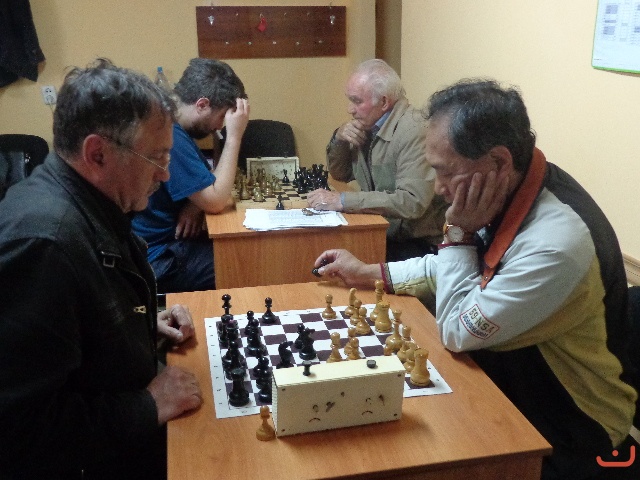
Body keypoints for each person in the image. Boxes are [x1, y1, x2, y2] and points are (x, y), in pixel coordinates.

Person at [313, 79, 639, 479]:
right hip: (507, 386)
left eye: (445, 172)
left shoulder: (555, 244)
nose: (437, 188)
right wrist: (370, 272)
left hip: (571, 432)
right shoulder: (514, 187)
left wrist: (457, 233)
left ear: (498, 162)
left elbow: (456, 331)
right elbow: (465, 267)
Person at [0, 59, 202, 480]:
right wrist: (147, 405)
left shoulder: (88, 203)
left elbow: (76, 332)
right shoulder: (44, 245)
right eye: (157, 156)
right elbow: (20, 433)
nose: (166, 174)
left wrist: (136, 327)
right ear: (97, 154)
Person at [306, 59, 447, 262]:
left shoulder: (414, 130)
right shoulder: (369, 125)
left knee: (334, 263)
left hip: (418, 246)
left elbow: (412, 202)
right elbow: (341, 174)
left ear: (383, 102)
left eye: (357, 101)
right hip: (386, 233)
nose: (350, 109)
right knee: (323, 251)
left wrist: (343, 201)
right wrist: (339, 139)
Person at [132, 58, 250, 293]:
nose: (220, 126)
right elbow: (216, 200)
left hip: (164, 245)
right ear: (202, 104)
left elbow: (208, 182)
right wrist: (235, 137)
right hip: (157, 258)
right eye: (222, 117)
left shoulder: (172, 125)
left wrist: (195, 204)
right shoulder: (171, 136)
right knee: (244, 263)